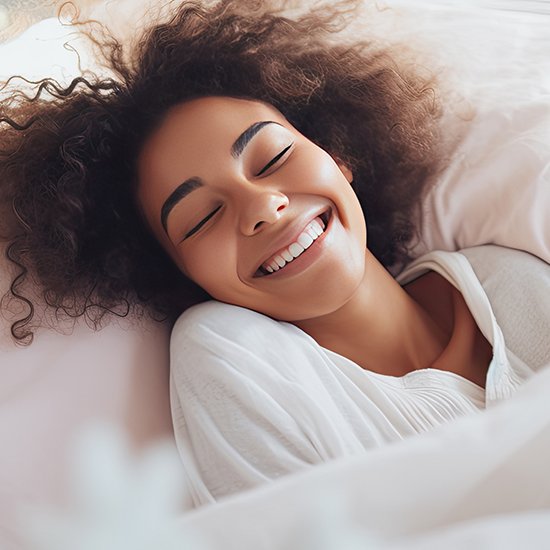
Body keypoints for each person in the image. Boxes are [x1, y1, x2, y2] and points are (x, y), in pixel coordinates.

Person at [0, 0, 548, 506]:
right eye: (202, 219)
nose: (262, 206)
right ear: (183, 275)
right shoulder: (227, 352)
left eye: (271, 158)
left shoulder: (509, 282)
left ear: (337, 157)